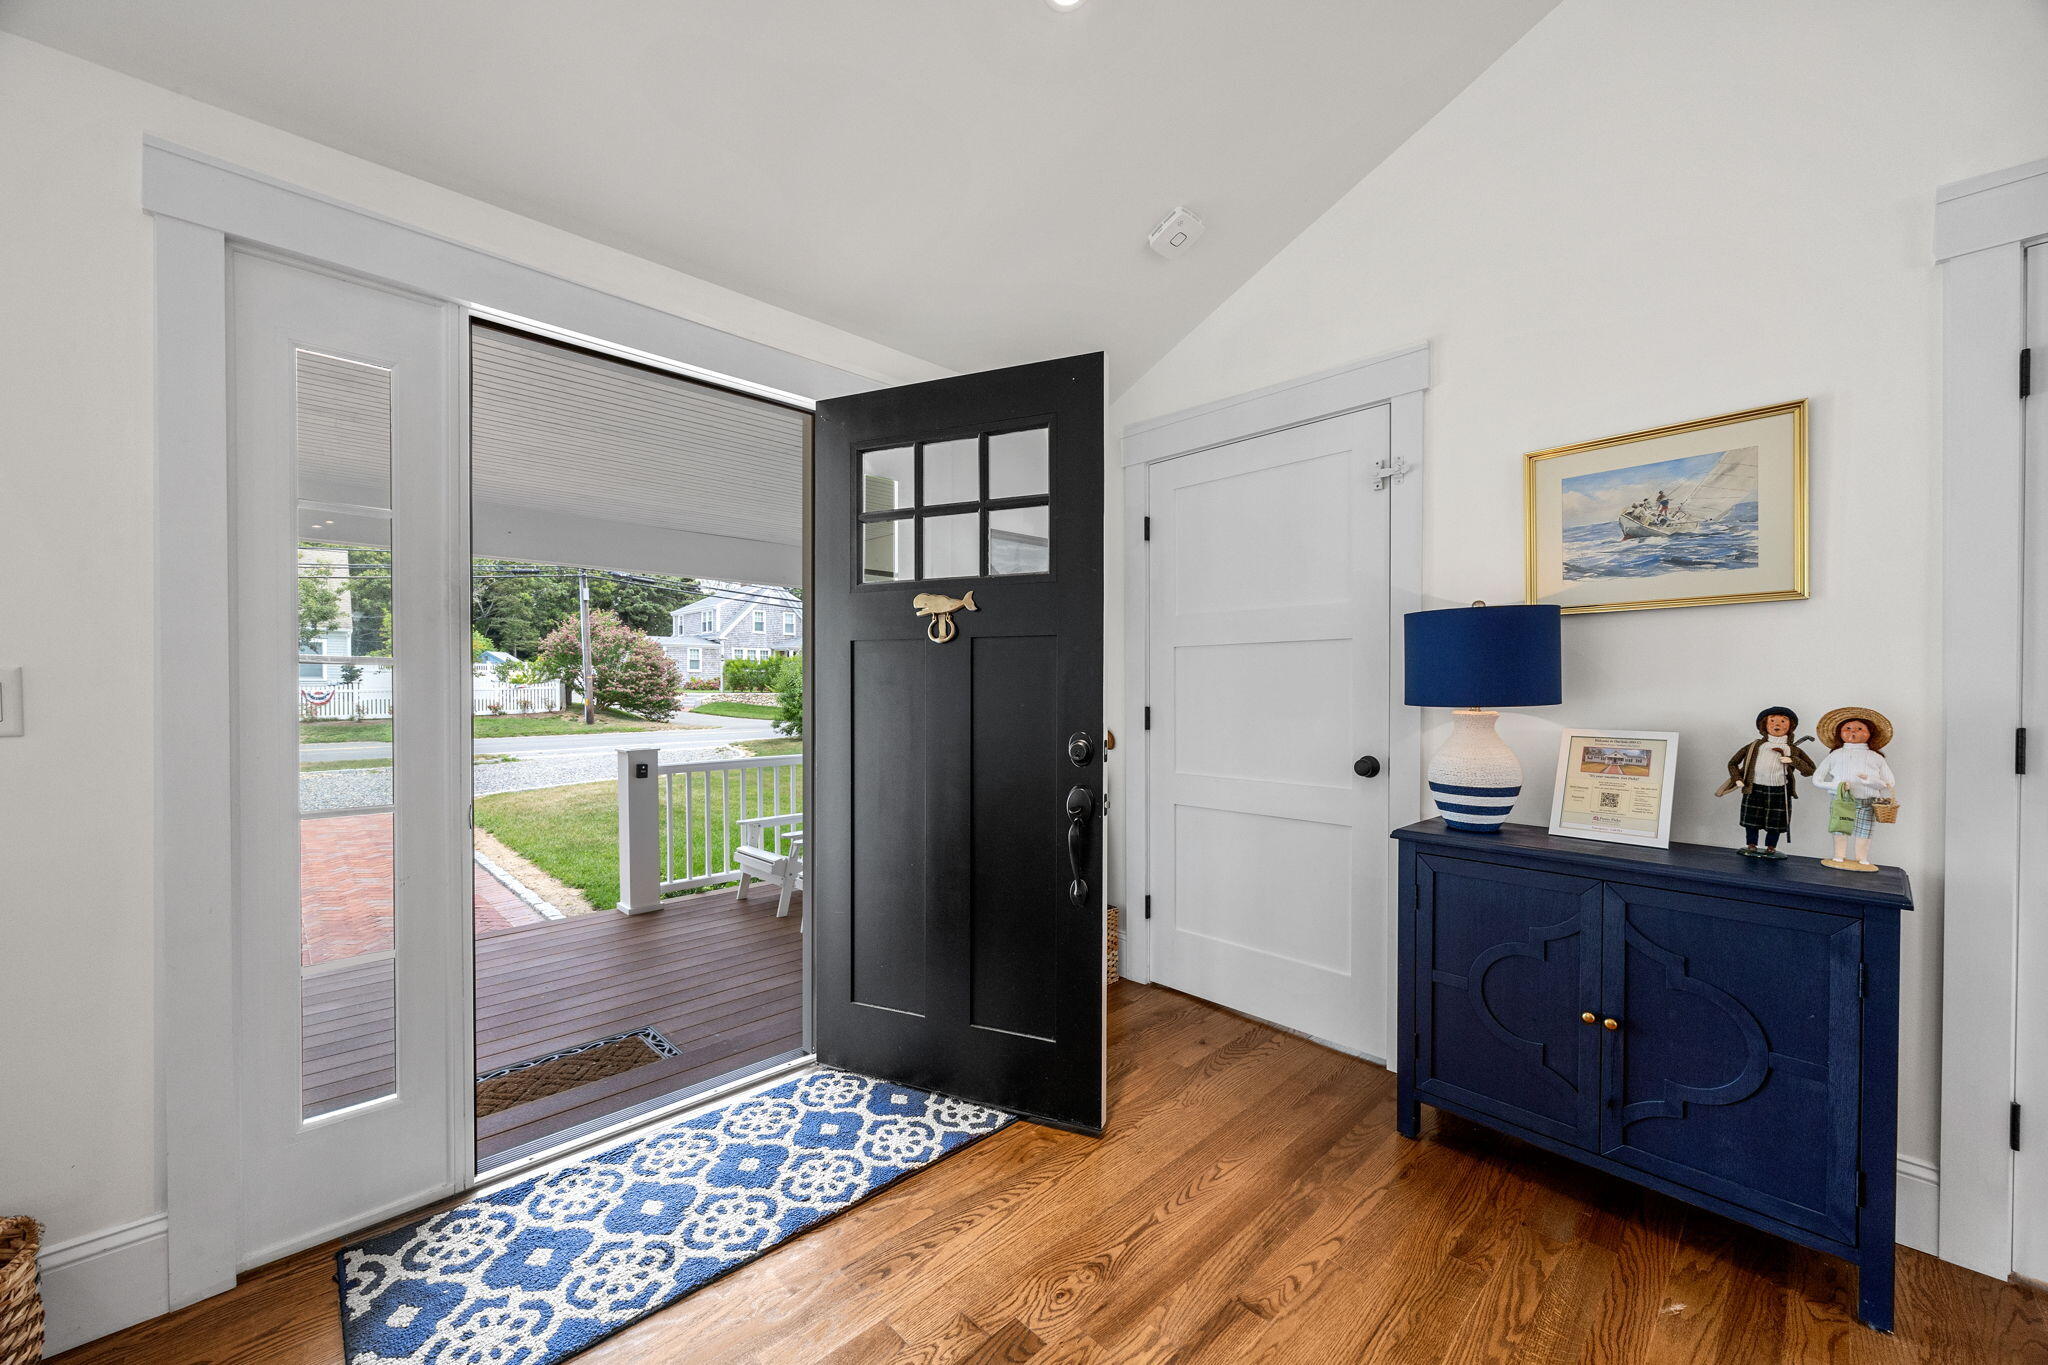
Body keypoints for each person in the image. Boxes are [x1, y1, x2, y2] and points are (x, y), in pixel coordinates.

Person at [1811, 706, 1898, 872]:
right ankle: (1839, 855)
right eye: (1848, 728)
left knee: (1864, 830)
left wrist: (1870, 781)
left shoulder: (1876, 757)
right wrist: (1837, 786)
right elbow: (1817, 779)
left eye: (1860, 729)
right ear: (1840, 732)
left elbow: (1889, 783)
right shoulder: (1835, 755)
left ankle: (1862, 859)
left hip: (1867, 801)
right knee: (1840, 827)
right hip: (1841, 799)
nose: (1853, 732)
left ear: (1869, 733)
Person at [1721, 706, 1815, 857]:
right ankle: (1751, 845)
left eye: (1783, 721)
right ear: (1764, 724)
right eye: (1772, 721)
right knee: (1751, 819)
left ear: (1791, 726)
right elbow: (1733, 763)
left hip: (1779, 791)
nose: (1777, 724)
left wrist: (1793, 760)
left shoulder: (1793, 750)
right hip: (1754, 788)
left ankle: (1771, 847)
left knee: (1775, 822)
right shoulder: (1755, 746)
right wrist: (1737, 779)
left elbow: (1810, 770)